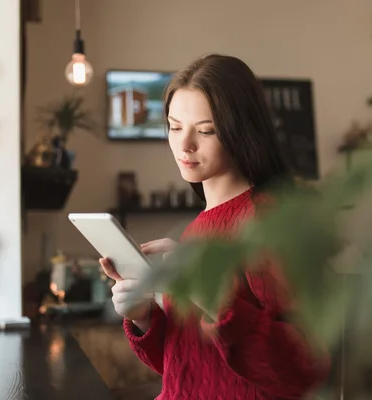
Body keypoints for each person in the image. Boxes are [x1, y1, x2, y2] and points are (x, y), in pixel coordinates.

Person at [99, 54, 330, 399]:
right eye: (175, 127)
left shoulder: (264, 221)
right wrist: (143, 316)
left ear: (242, 132)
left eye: (205, 130)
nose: (184, 144)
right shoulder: (198, 228)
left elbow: (303, 368)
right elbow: (185, 363)